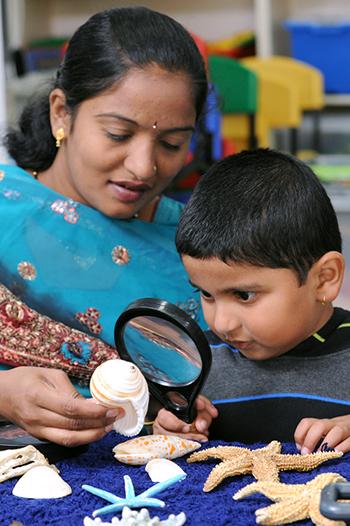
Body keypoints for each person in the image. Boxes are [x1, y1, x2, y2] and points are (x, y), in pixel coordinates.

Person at [0, 6, 208, 446]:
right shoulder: (6, 210)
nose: (143, 166)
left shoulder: (198, 246)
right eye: (117, 134)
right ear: (62, 114)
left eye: (172, 143)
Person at [154, 148, 350, 454]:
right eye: (205, 293)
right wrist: (175, 427)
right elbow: (171, 437)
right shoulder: (196, 363)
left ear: (323, 279)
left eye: (244, 295)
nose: (221, 323)